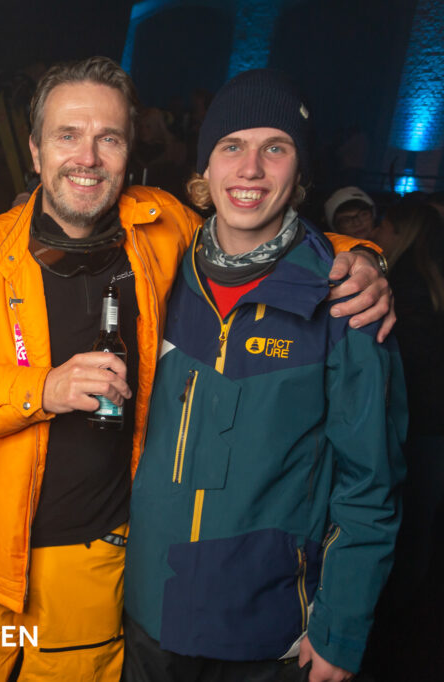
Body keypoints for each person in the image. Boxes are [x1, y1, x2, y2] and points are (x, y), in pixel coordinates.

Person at [0, 57, 392, 681]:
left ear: (129, 152)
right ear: (34, 150)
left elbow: (258, 233)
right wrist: (44, 387)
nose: (87, 158)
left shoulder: (162, 229)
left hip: (101, 557)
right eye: (67, 135)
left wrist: (364, 258)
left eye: (108, 138)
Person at [122, 69, 406, 682]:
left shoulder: (343, 302)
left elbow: (370, 485)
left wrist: (341, 630)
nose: (250, 168)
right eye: (232, 146)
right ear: (206, 167)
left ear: (299, 172)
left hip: (265, 634)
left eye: (274, 148)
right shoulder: (156, 275)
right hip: (146, 616)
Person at [364, 199, 444, 680]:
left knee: (398, 520)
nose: (376, 233)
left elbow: (401, 366)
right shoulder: (429, 279)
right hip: (433, 427)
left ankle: (386, 636)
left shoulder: (399, 287)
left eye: (382, 225)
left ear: (399, 230)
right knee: (418, 527)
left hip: (410, 425)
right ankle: (400, 631)